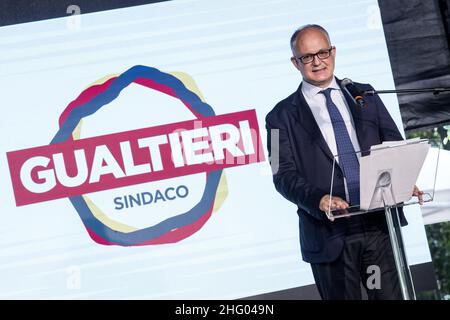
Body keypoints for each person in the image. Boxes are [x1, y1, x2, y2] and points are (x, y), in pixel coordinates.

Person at [265, 24, 423, 300]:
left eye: (323, 52)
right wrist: (319, 199)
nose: (317, 62)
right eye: (307, 56)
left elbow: (394, 145)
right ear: (295, 62)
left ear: (333, 52)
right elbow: (281, 175)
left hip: (377, 227)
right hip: (328, 235)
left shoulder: (365, 95)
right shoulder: (278, 117)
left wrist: (405, 179)